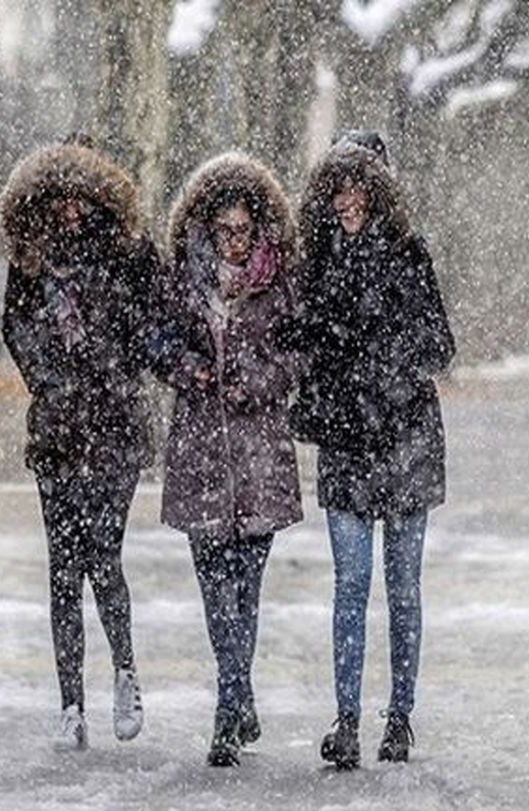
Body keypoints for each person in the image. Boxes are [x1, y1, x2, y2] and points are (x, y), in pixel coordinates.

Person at [282, 140, 455, 769]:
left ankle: (400, 719)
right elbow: (301, 340)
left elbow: (440, 343)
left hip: (406, 441)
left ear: (379, 190)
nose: (348, 200)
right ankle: (347, 720)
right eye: (337, 188)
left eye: (358, 187)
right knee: (351, 583)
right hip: (347, 444)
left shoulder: (410, 255)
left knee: (402, 589)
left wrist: (384, 363)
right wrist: (312, 349)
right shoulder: (317, 261)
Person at [0, 138, 157, 749]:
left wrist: (118, 369)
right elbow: (17, 325)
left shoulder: (126, 252)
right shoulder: (32, 258)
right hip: (58, 433)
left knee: (102, 556)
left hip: (114, 430)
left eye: (79, 193)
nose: (69, 207)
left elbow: (150, 321)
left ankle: (125, 670)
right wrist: (50, 380)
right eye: (59, 195)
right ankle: (72, 705)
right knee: (63, 571)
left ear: (98, 193)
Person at [151, 153, 302, 767]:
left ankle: (232, 699)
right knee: (216, 591)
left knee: (246, 589)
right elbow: (155, 343)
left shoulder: (282, 281)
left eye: (242, 230)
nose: (233, 242)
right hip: (201, 454)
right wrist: (191, 370)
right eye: (222, 231)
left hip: (259, 455)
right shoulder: (181, 280)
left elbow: (301, 355)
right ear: (205, 228)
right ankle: (232, 700)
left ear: (258, 228)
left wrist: (260, 381)